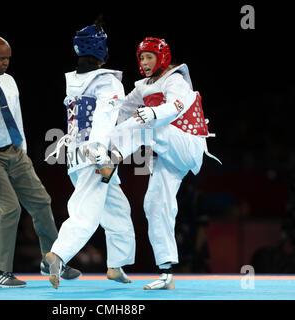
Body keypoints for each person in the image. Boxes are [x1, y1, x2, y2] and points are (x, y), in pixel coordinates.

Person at [0, 35, 81, 288]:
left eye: (8, 58)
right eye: (1, 58)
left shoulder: (9, 82)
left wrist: (21, 151)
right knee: (10, 208)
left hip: (14, 152)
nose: (6, 63)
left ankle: (52, 261)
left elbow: (16, 117)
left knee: (42, 202)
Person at [99, 37, 221, 290]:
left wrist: (152, 113)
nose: (144, 62)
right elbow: (122, 111)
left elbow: (175, 106)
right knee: (155, 203)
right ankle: (166, 273)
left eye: (149, 57)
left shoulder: (176, 79)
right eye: (141, 57)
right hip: (168, 152)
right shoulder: (142, 86)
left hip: (187, 143)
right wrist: (103, 129)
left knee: (145, 121)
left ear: (162, 57)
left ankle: (112, 160)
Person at [44, 20, 136, 289]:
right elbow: (104, 118)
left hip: (74, 155)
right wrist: (101, 156)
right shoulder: (106, 81)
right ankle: (57, 255)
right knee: (87, 213)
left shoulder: (75, 81)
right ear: (101, 49)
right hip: (93, 155)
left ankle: (115, 265)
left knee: (119, 211)